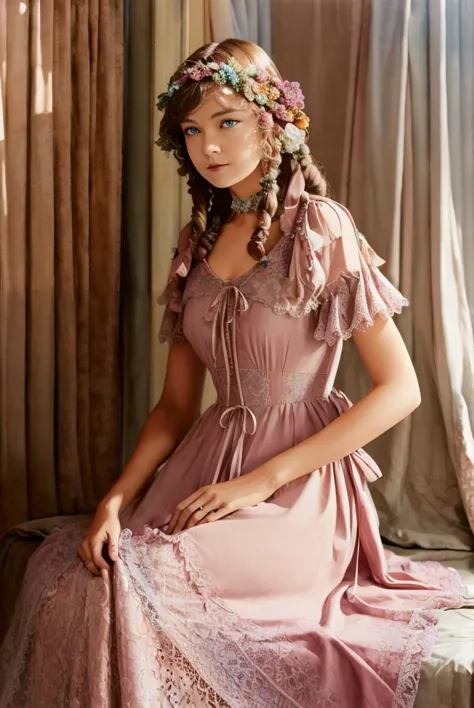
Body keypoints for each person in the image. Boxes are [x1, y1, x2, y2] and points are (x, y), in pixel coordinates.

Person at [0, 38, 466, 708]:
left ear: (269, 122)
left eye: (226, 122)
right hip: (204, 470)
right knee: (76, 575)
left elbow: (403, 389)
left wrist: (262, 480)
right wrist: (116, 498)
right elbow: (174, 407)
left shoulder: (320, 230)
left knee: (138, 585)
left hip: (297, 493)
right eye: (192, 129)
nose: (207, 146)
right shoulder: (193, 246)